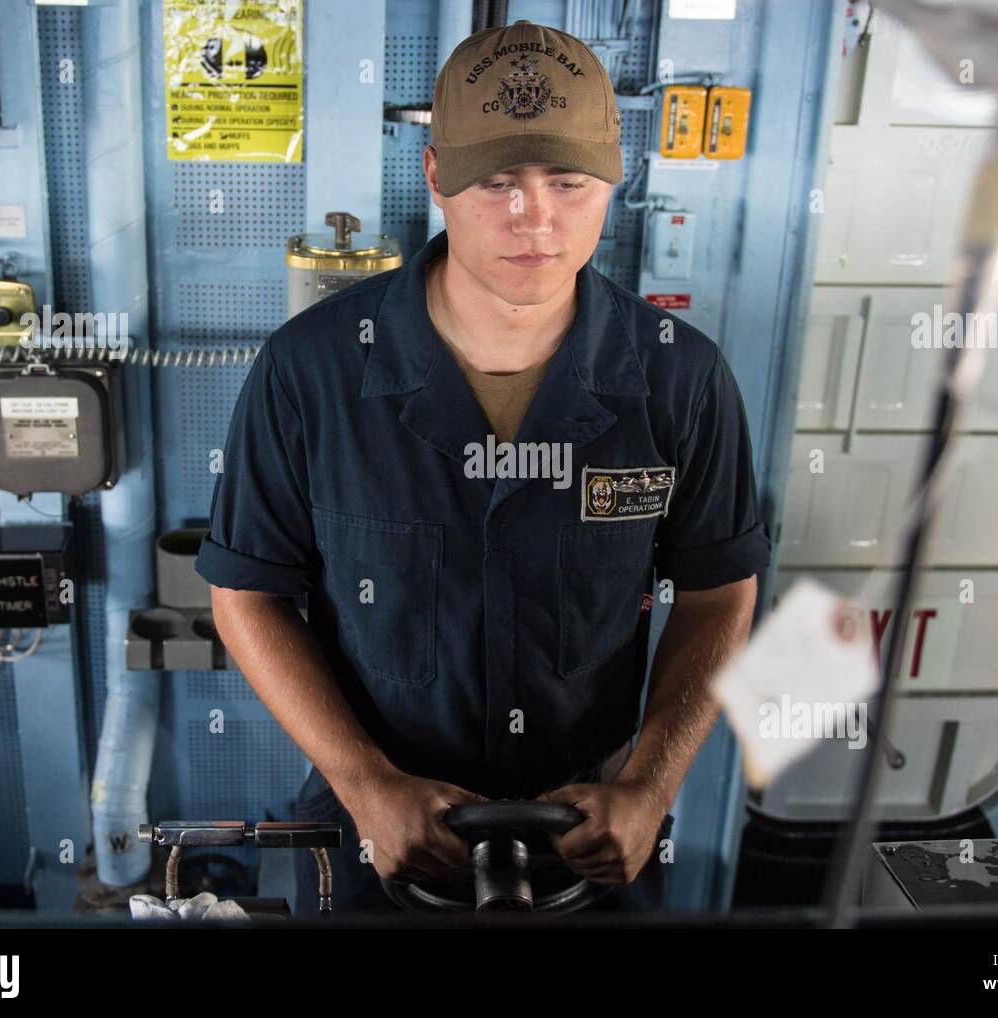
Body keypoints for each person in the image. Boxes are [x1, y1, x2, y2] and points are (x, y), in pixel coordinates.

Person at [194, 19, 769, 914]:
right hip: (372, 837)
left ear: (615, 185)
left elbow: (719, 590)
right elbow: (247, 595)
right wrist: (364, 781)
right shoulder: (310, 372)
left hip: (589, 836)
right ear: (436, 178)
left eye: (568, 183)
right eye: (496, 181)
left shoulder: (680, 378)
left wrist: (652, 783)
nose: (533, 218)